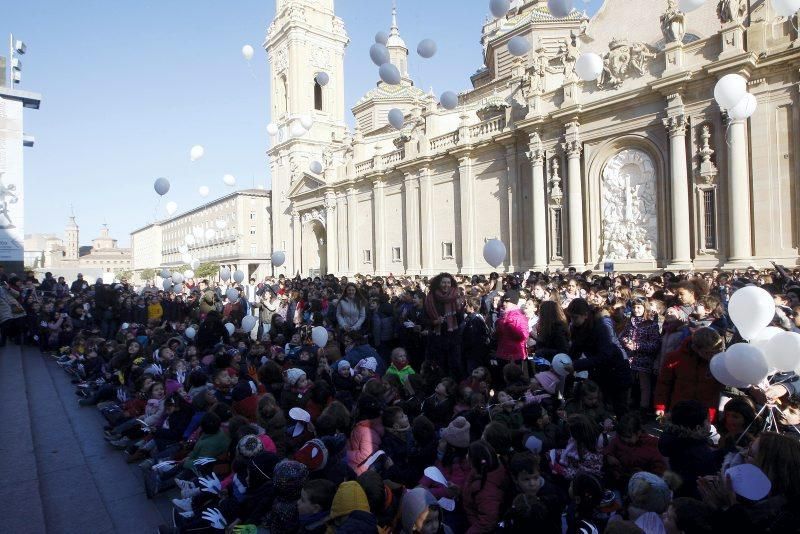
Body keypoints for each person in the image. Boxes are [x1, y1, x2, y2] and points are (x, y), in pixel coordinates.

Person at [565, 298, 632, 417]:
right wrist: (564, 362)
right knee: (597, 406)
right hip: (599, 371)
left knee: (620, 408)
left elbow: (605, 355)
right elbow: (576, 348)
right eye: (570, 317)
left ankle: (626, 433)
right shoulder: (578, 327)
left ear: (585, 315)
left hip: (617, 370)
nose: (572, 321)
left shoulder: (602, 326)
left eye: (575, 317)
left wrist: (576, 365)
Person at [654, 327, 724, 421]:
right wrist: (660, 406)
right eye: (708, 353)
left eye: (716, 352)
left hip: (706, 416)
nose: (712, 356)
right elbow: (663, 384)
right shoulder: (674, 358)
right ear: (695, 348)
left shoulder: (720, 361)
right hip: (680, 412)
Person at [424, 273, 465, 379]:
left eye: (448, 282)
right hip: (437, 338)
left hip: (453, 338)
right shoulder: (430, 298)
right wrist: (435, 322)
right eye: (443, 282)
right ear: (438, 283)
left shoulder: (456, 296)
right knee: (440, 367)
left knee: (455, 366)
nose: (446, 285)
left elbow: (461, 320)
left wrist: (459, 309)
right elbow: (424, 319)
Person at [494, 290, 529, 377]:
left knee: (514, 380)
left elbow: (523, 336)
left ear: (514, 302)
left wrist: (509, 326)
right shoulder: (503, 316)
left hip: (515, 356)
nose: (504, 303)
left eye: (507, 301)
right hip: (502, 353)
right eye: (504, 301)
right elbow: (499, 335)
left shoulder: (520, 317)